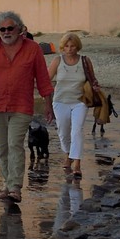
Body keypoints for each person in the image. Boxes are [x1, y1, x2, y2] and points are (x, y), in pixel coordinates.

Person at [0, 11, 54, 202]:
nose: (6, 32)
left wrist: (48, 105)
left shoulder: (33, 49)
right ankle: (7, 184)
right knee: (3, 146)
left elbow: (43, 79)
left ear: (19, 29)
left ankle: (15, 187)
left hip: (22, 105)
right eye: (2, 29)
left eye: (10, 28)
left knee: (15, 144)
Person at [49, 32, 97, 179]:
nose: (69, 49)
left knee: (77, 130)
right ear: (63, 47)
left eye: (73, 46)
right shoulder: (57, 61)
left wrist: (95, 87)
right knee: (63, 132)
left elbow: (93, 79)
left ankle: (77, 163)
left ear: (77, 47)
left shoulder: (85, 61)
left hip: (79, 102)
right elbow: (46, 80)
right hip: (60, 101)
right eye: (66, 46)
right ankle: (68, 154)